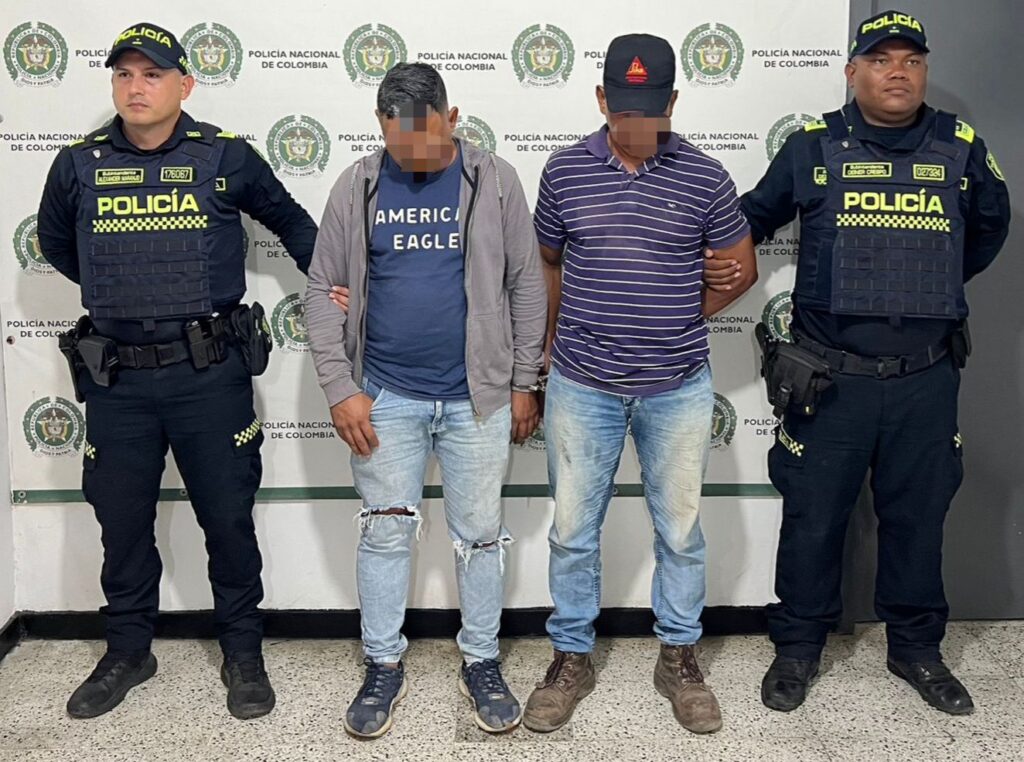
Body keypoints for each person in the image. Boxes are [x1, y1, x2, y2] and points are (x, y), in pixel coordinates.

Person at [707, 10, 1010, 715]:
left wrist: (930, 285)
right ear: (853, 73)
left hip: (925, 378)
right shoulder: (812, 146)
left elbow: (987, 231)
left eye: (911, 60)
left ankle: (916, 648)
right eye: (880, 60)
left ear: (925, 71)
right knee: (813, 519)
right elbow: (751, 217)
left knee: (919, 519)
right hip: (828, 379)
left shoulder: (961, 148)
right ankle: (797, 648)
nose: (897, 71)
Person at [36, 22, 317, 720]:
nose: (136, 86)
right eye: (124, 74)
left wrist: (338, 284)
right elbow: (59, 245)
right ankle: (128, 651)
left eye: (153, 74)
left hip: (208, 375)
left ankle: (242, 652)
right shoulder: (77, 165)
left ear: (184, 85)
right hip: (118, 380)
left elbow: (292, 222)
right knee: (122, 523)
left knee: (228, 520)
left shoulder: (225, 156)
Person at [520, 34, 757, 735]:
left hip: (676, 385)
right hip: (582, 383)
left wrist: (680, 312)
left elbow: (740, 267)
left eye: (652, 111)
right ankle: (571, 655)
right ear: (601, 99)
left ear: (673, 101)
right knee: (572, 531)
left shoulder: (705, 176)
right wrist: (546, 348)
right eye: (624, 110)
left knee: (680, 531)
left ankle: (678, 656)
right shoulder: (565, 171)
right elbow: (548, 261)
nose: (637, 124)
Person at [303, 62, 546, 738]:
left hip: (478, 400)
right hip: (385, 395)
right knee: (385, 533)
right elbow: (322, 289)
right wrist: (341, 388)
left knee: (480, 535)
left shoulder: (495, 181)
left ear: (453, 118)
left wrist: (525, 381)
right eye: (397, 142)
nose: (411, 156)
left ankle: (482, 661)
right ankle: (382, 663)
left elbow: (526, 285)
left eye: (426, 140)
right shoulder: (357, 185)